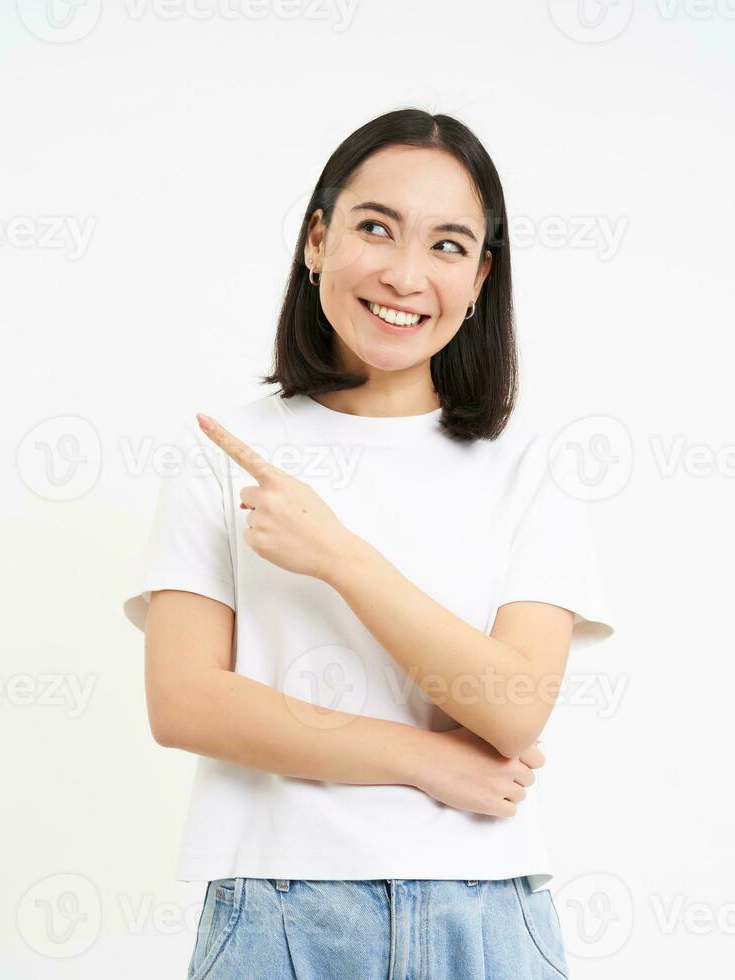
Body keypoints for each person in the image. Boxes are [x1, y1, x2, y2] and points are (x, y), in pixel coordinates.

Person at [122, 107, 616, 979]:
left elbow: (510, 705)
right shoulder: (222, 452)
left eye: (447, 245)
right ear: (317, 239)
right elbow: (186, 704)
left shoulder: (531, 469)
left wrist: (338, 555)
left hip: (485, 913)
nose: (403, 273)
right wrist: (426, 761)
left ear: (480, 278)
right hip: (274, 911)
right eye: (374, 228)